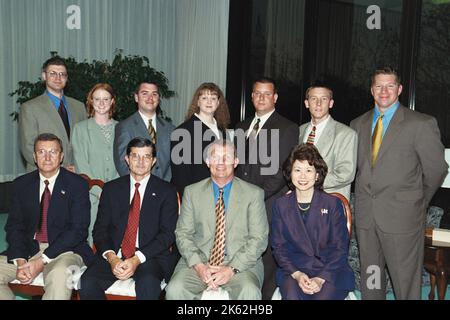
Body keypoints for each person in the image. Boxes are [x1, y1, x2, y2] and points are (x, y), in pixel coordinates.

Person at [350, 67, 448, 300]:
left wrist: (417, 201)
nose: (384, 91)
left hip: (403, 218)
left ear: (400, 89)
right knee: (371, 281)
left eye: (390, 85)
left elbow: (436, 169)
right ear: (372, 90)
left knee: (405, 285)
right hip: (367, 218)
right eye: (379, 86)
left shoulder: (420, 124)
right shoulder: (357, 124)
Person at [165, 140, 269, 300]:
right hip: (199, 260)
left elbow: (259, 239)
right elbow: (183, 234)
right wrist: (200, 266)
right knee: (175, 290)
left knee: (249, 291)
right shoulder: (192, 192)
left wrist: (231, 269)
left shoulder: (253, 194)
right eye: (215, 157)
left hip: (241, 263)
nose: (221, 162)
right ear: (207, 162)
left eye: (227, 157)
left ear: (235, 162)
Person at [79, 137, 179, 300]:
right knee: (87, 282)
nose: (140, 162)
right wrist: (112, 258)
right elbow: (100, 230)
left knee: (148, 284)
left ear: (153, 160)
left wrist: (136, 259)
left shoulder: (166, 191)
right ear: (127, 159)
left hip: (149, 256)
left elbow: (167, 234)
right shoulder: (112, 189)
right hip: (115, 255)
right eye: (135, 156)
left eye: (146, 156)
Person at [0, 133, 93, 300]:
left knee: (60, 275)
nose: (48, 157)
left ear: (61, 156)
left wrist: (41, 261)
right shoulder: (22, 184)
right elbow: (15, 226)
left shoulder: (77, 185)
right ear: (35, 157)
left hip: (67, 251)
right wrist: (21, 261)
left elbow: (78, 230)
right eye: (42, 152)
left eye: (53, 152)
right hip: (28, 250)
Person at [235, 77, 298, 299]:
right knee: (244, 257)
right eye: (257, 93)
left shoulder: (287, 128)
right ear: (251, 97)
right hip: (240, 206)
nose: (262, 98)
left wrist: (251, 198)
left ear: (275, 98)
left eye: (267, 94)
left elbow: (281, 173)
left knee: (268, 260)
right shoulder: (241, 127)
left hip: (269, 205)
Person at [271, 143, 354, 300]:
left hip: (330, 271)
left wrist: (320, 278)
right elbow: (278, 247)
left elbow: (340, 248)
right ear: (290, 173)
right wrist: (297, 274)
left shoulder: (332, 204)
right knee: (292, 295)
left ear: (317, 175)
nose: (303, 176)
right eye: (298, 170)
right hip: (294, 270)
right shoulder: (280, 205)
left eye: (309, 170)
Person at [19, 56, 87, 172]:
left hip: (75, 174)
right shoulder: (30, 108)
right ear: (44, 76)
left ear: (67, 78)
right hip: (43, 175)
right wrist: (58, 168)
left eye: (62, 74)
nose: (58, 78)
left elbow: (85, 142)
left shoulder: (79, 107)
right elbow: (28, 148)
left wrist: (80, 166)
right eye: (53, 73)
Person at [72, 83, 119, 244]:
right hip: (91, 195)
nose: (101, 103)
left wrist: (115, 192)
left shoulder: (122, 128)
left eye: (106, 99)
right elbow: (81, 164)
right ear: (90, 101)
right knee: (92, 239)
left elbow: (124, 163)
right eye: (97, 99)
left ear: (112, 101)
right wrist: (101, 192)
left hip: (117, 195)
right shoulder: (80, 129)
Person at [170, 82, 231, 196]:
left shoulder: (222, 130)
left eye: (213, 98)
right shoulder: (183, 131)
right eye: (204, 98)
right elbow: (180, 175)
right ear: (197, 102)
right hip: (195, 195)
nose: (209, 102)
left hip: (219, 193)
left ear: (218, 103)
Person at [299, 85, 357, 201]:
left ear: (331, 103)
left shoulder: (346, 134)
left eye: (324, 99)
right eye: (314, 98)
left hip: (330, 204)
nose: (318, 103)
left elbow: (345, 174)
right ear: (307, 103)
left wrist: (309, 181)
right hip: (300, 202)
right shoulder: (299, 130)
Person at [114, 82, 175, 182]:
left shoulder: (170, 128)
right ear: (136, 98)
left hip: (164, 189)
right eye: (145, 93)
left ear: (158, 99)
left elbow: (173, 164)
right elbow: (122, 163)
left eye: (154, 94)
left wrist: (164, 185)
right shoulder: (124, 127)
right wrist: (139, 186)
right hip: (136, 189)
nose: (150, 98)